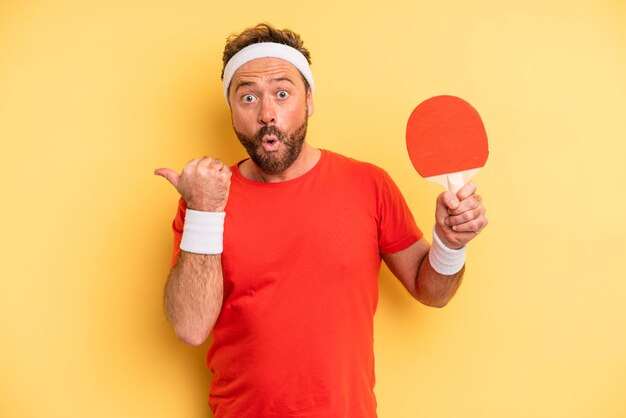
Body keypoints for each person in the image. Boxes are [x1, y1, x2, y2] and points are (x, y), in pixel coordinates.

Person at [154, 23, 487, 418]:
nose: (267, 114)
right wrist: (205, 212)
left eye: (282, 93)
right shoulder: (205, 202)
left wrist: (450, 242)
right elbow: (190, 327)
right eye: (248, 97)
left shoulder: (368, 184)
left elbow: (432, 291)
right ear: (232, 110)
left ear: (309, 100)